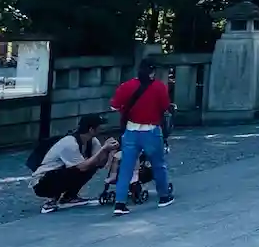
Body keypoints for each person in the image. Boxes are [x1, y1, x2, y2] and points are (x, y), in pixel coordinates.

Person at [109, 58, 173, 214]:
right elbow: (165, 107)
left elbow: (114, 106)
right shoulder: (159, 87)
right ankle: (164, 196)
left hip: (131, 131)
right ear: (153, 72)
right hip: (151, 131)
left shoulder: (126, 86)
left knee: (126, 167)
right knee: (158, 165)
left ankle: (120, 203)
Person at [33, 114, 116, 213]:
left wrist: (108, 151)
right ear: (91, 129)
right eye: (99, 126)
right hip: (42, 182)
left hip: (60, 174)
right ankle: (51, 200)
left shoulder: (92, 141)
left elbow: (100, 164)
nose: (102, 129)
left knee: (91, 165)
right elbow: (82, 167)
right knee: (74, 169)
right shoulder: (70, 143)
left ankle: (69, 197)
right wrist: (103, 149)